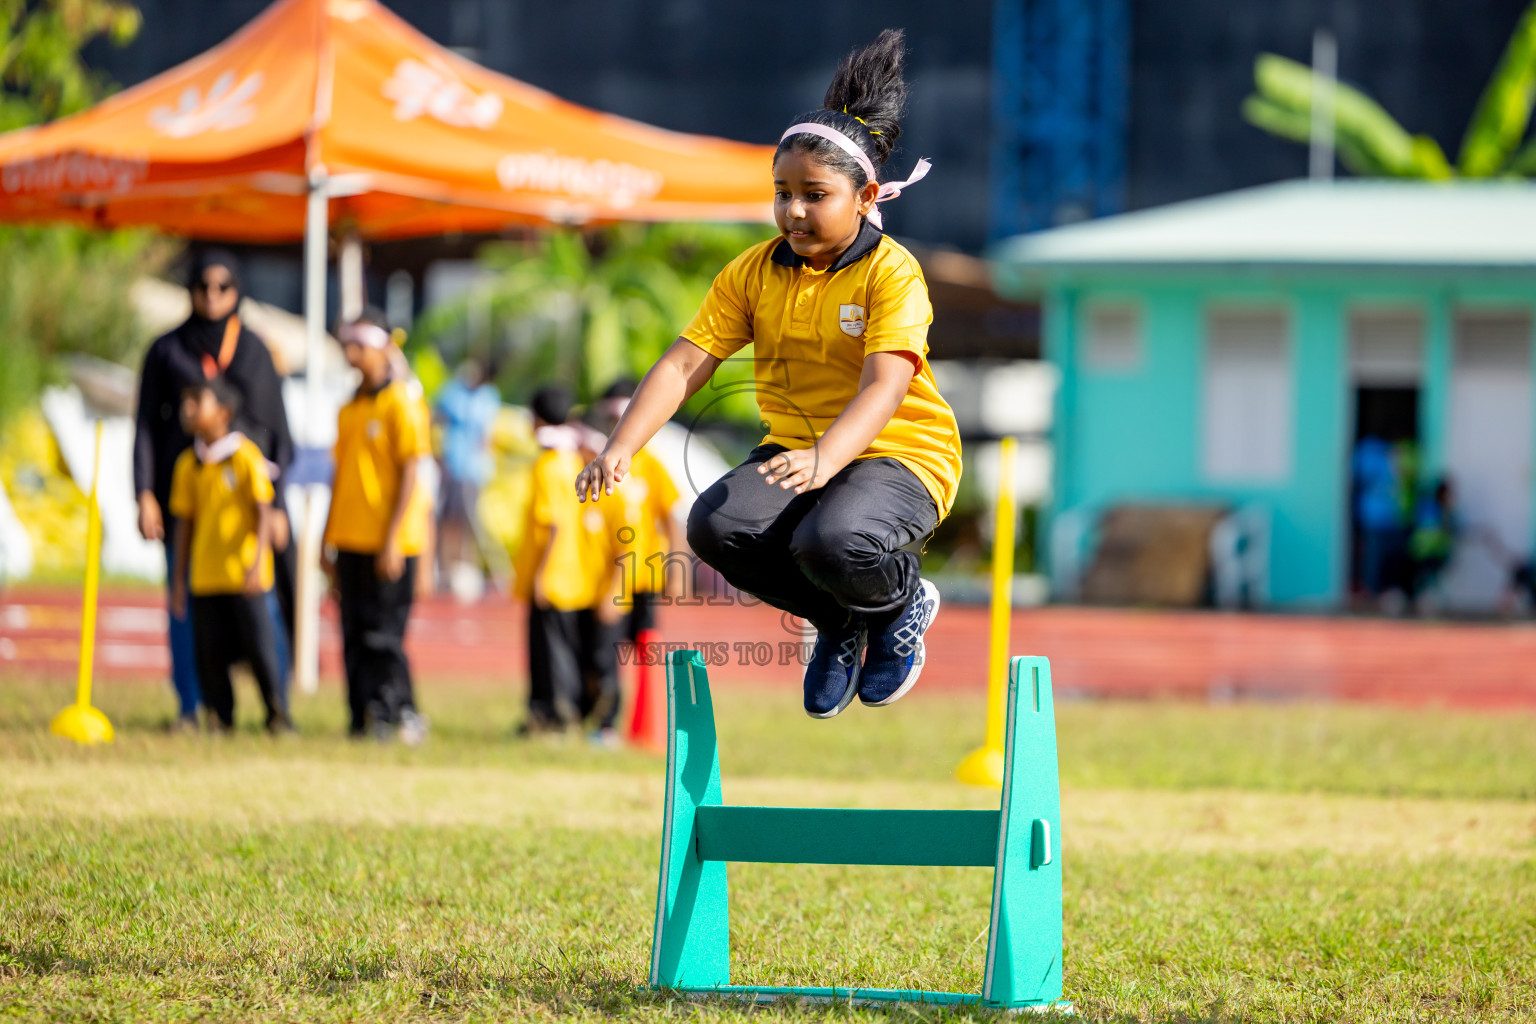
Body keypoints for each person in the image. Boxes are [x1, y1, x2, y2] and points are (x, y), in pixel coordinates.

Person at [575, 30, 961, 719]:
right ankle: (838, 623)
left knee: (832, 540)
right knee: (714, 528)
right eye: (783, 194)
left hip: (900, 455)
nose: (794, 211)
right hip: (798, 450)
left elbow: (885, 387)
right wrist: (620, 447)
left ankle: (902, 600)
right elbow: (686, 362)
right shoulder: (753, 269)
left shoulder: (891, 271)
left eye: (815, 195)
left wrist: (825, 460)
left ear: (866, 196)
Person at [134, 249, 295, 730]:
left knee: (261, 604)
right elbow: (144, 425)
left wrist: (278, 506)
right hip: (187, 498)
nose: (212, 295)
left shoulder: (254, 350)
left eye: (223, 286)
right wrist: (143, 492)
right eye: (203, 286)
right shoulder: (168, 350)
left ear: (237, 291)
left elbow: (280, 433)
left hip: (250, 504)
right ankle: (193, 706)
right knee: (185, 601)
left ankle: (277, 706)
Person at [322, 311, 432, 745]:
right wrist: (327, 539)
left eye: (358, 345)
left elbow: (411, 471)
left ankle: (395, 712)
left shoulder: (401, 402)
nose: (351, 354)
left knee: (384, 634)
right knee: (353, 631)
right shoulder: (350, 406)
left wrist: (391, 538)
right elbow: (343, 475)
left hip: (390, 541)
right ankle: (361, 715)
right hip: (350, 538)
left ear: (382, 347)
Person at [168, 379, 289, 733]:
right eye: (185, 402)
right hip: (206, 575)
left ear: (224, 412)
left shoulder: (245, 456)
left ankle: (277, 713)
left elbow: (264, 512)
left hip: (244, 574)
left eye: (197, 401)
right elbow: (185, 525)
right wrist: (179, 579)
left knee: (260, 649)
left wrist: (257, 562)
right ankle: (220, 717)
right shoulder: (188, 464)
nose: (188, 409)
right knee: (210, 654)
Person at [515, 385, 622, 734]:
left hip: (554, 576)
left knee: (550, 653)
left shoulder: (547, 465)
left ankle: (554, 715)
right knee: (566, 649)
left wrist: (541, 574)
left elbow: (554, 525)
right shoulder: (572, 462)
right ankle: (565, 712)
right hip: (574, 575)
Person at [590, 379, 681, 725]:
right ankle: (606, 722)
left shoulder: (651, 464)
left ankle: (647, 721)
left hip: (644, 575)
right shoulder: (596, 461)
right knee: (605, 649)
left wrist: (675, 570)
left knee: (646, 649)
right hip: (608, 577)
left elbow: (671, 518)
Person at [433, 358, 502, 593]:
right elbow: (436, 419)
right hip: (453, 467)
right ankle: (445, 568)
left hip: (474, 470)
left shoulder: (489, 397)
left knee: (470, 521)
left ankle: (465, 567)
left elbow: (487, 434)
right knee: (448, 520)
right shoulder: (453, 393)